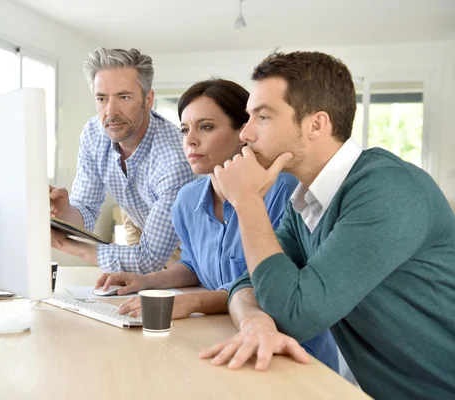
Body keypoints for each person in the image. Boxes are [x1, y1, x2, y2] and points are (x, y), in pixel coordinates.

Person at [199, 51, 455, 399]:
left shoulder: (387, 190)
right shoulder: (307, 199)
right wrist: (254, 321)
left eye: (263, 117)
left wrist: (247, 201)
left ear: (316, 124)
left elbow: (296, 316)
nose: (245, 134)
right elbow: (249, 281)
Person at [95, 78, 338, 371]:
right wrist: (146, 281)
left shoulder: (285, 191)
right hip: (223, 339)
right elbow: (193, 265)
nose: (190, 139)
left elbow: (271, 286)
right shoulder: (187, 199)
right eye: (185, 129)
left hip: (290, 352)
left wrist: (194, 302)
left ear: (243, 132)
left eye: (206, 127)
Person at [49, 48, 194, 274]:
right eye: (102, 98)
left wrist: (69, 246)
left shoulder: (174, 160)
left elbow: (149, 258)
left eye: (123, 97)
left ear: (148, 99)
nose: (111, 111)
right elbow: (85, 212)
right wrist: (65, 212)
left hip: (191, 250)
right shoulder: (94, 134)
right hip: (142, 227)